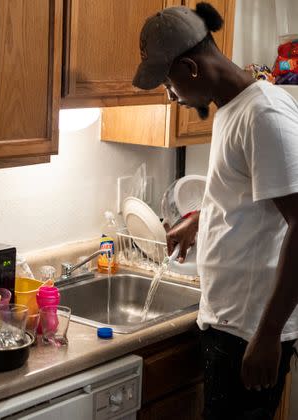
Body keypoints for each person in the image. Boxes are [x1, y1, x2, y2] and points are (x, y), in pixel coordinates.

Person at [133, 3, 298, 419]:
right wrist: (200, 221)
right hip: (230, 321)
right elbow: (248, 194)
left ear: (189, 67)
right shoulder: (233, 107)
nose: (171, 96)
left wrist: (269, 335)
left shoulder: (265, 115)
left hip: (250, 330)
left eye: (168, 84)